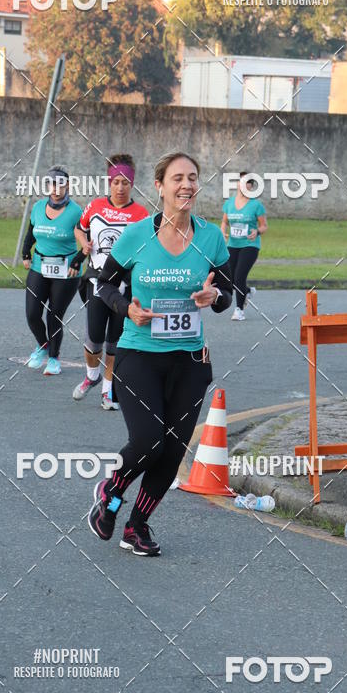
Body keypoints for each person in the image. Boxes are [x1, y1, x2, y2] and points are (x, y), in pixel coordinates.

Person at [87, 152, 233, 556]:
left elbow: (229, 293)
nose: (187, 185)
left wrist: (215, 295)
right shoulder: (136, 235)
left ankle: (137, 526)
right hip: (139, 354)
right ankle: (112, 492)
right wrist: (126, 308)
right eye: (177, 179)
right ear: (160, 187)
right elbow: (102, 283)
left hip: (189, 362)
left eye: (192, 178)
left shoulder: (210, 238)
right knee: (149, 440)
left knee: (172, 451)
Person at [72, 154, 149, 410]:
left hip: (124, 285)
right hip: (96, 280)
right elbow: (79, 228)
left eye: (125, 181)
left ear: (132, 183)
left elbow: (147, 248)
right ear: (109, 182)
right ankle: (91, 376)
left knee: (115, 341)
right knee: (94, 338)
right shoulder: (94, 207)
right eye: (116, 181)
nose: (120, 187)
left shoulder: (141, 214)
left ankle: (108, 391)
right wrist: (83, 244)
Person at [22, 165, 82, 375]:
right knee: (32, 314)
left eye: (60, 185)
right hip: (39, 267)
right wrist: (25, 253)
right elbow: (31, 233)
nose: (56, 189)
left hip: (66, 271)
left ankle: (54, 359)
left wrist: (78, 261)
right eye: (52, 184)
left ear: (67, 186)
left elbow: (87, 240)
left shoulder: (76, 211)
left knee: (54, 315)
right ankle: (44, 346)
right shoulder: (38, 207)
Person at [221, 172, 267, 321]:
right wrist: (223, 232)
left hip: (250, 245)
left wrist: (257, 231)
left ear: (251, 187)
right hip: (233, 244)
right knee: (231, 278)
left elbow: (264, 226)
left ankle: (239, 310)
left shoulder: (256, 205)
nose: (243, 185)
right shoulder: (229, 203)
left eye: (247, 182)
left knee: (240, 276)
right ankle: (246, 291)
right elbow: (224, 222)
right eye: (240, 182)